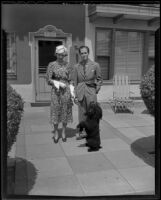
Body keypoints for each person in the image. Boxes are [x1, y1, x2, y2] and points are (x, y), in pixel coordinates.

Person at [73, 46, 102, 140]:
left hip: (91, 91)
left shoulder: (95, 65)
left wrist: (96, 89)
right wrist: (75, 95)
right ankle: (82, 132)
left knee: (92, 112)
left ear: (88, 53)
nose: (83, 55)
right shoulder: (76, 67)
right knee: (82, 113)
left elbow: (99, 79)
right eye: (82, 53)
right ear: (80, 54)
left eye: (85, 52)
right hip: (80, 91)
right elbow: (75, 82)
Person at [46, 45, 73, 143]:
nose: (61, 56)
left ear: (65, 54)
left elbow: (71, 80)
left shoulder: (68, 65)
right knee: (55, 110)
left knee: (65, 110)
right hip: (56, 91)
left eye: (63, 55)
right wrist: (57, 83)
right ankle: (56, 132)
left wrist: (72, 92)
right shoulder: (51, 65)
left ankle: (64, 132)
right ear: (56, 54)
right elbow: (48, 80)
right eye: (59, 54)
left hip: (66, 90)